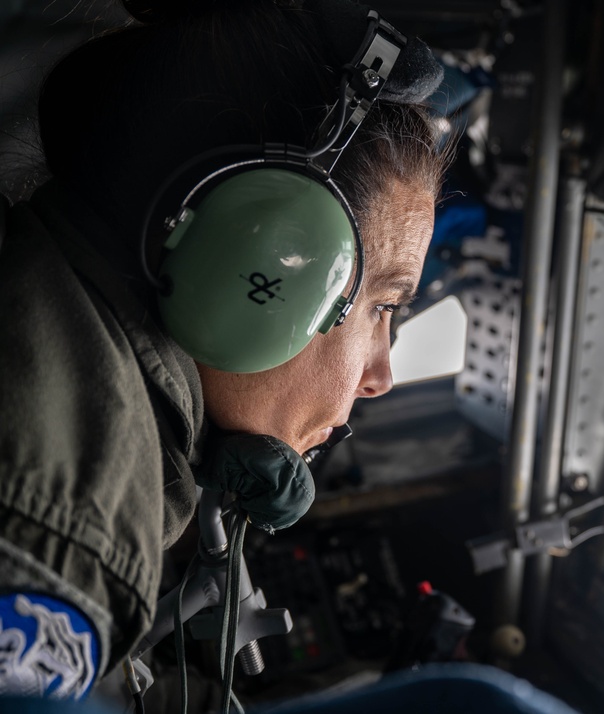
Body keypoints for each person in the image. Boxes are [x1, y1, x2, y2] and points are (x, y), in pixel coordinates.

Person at [0, 0, 449, 700]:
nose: (381, 375)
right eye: (383, 306)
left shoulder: (44, 297)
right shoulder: (70, 519)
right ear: (261, 269)